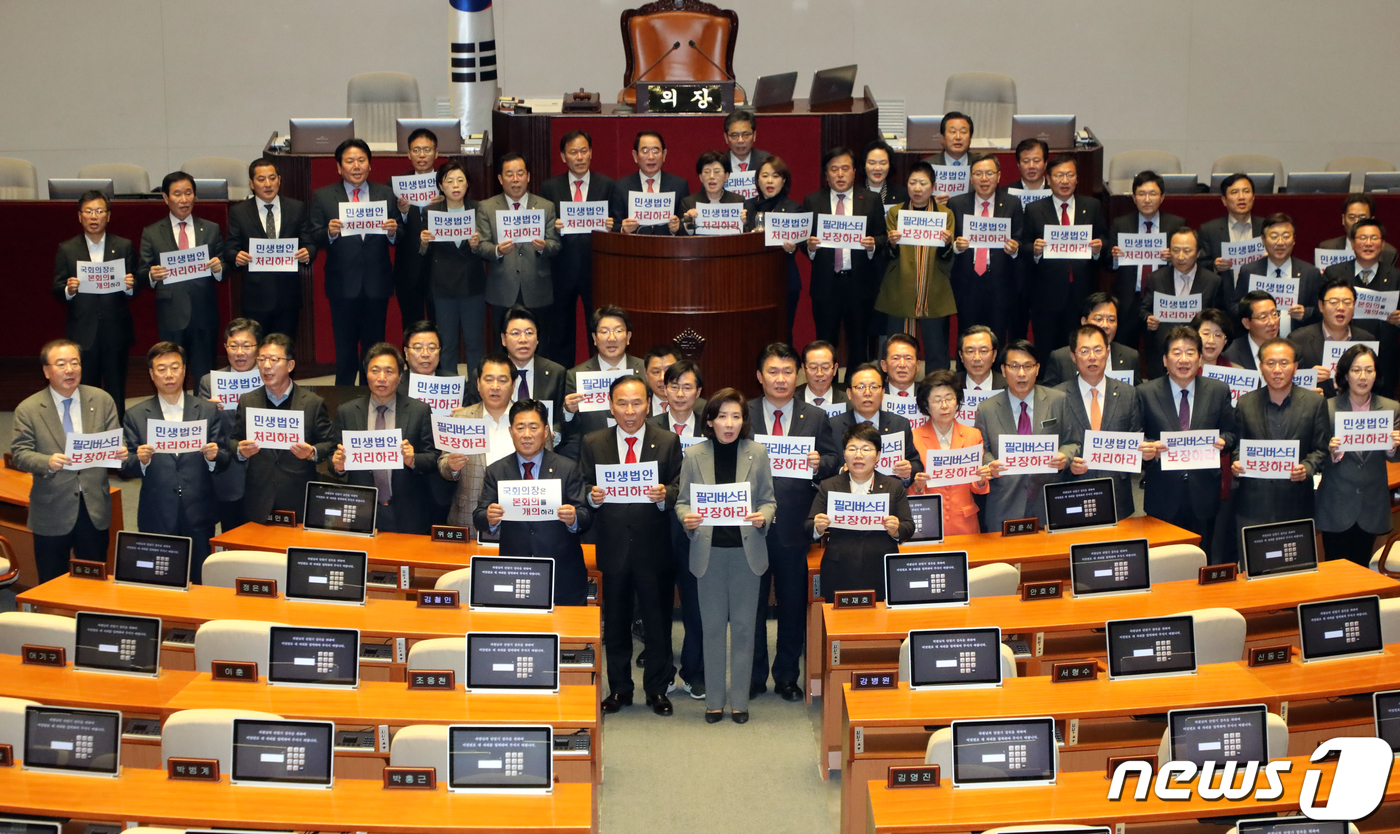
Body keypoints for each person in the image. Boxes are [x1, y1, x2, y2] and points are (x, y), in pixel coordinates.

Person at [580, 375, 684, 716]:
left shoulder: (667, 441)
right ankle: (620, 690)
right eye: (622, 403)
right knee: (617, 623)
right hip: (612, 547)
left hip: (654, 548)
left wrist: (664, 494)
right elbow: (581, 484)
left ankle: (657, 689)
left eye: (637, 403)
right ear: (611, 405)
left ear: (649, 404)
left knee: (657, 624)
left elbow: (680, 485)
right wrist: (591, 496)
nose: (629, 411)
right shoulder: (594, 442)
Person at [675, 389, 777, 724]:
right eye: (722, 416)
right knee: (713, 628)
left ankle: (740, 702)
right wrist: (686, 517)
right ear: (710, 421)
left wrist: (764, 516)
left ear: (743, 420)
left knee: (746, 629)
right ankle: (714, 701)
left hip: (747, 553)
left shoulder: (757, 453)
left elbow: (768, 500)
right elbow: (682, 501)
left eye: (736, 416)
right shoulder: (693, 455)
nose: (729, 423)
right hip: (709, 553)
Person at [748, 343, 836, 702]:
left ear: (797, 375)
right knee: (749, 609)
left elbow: (833, 460)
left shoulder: (815, 416)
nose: (781, 379)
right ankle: (752, 677)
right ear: (759, 377)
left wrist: (820, 463)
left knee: (792, 605)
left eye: (787, 372)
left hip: (795, 528)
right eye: (773, 372)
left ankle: (786, 676)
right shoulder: (743, 413)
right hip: (750, 526)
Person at [11, 339, 128, 583]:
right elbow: (20, 454)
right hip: (51, 507)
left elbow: (117, 439)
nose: (70, 370)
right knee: (52, 580)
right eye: (61, 364)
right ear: (46, 371)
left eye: (75, 363)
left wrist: (121, 451)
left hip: (93, 505)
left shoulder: (102, 400)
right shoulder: (29, 409)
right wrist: (47, 461)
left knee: (94, 579)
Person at [121, 342, 227, 583]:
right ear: (151, 374)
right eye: (161, 369)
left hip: (199, 509)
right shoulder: (135, 415)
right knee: (160, 579)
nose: (169, 375)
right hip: (157, 511)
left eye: (174, 367)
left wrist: (213, 457)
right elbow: (125, 464)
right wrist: (141, 461)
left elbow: (225, 457)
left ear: (184, 369)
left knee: (200, 578)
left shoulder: (207, 411)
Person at [475, 399, 593, 605]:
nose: (527, 434)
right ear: (511, 431)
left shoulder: (567, 468)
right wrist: (489, 517)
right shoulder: (496, 471)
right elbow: (479, 516)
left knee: (566, 634)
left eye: (533, 427)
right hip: (514, 569)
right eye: (520, 428)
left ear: (546, 431)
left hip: (562, 571)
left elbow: (586, 516)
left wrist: (574, 518)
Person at [1137, 326, 1236, 561]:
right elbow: (1137, 435)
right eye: (1177, 353)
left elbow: (1233, 433)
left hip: (1203, 494)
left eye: (1191, 353)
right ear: (1164, 359)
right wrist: (1149, 447)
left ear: (1200, 358)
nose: (1184, 359)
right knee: (1162, 562)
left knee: (1202, 560)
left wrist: (1224, 441)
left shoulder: (1218, 391)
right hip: (1162, 493)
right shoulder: (1145, 392)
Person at [309, 139, 402, 385]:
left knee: (374, 352)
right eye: (350, 161)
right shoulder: (324, 196)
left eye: (361, 160)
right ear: (339, 168)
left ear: (370, 166)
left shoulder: (385, 193)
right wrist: (329, 232)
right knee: (345, 351)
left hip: (376, 283)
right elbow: (313, 236)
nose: (356, 166)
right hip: (342, 285)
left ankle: (373, 395)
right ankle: (344, 402)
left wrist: (393, 231)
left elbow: (401, 233)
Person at [329, 343, 438, 535]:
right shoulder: (347, 412)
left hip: (408, 511)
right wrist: (338, 465)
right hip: (361, 510)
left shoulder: (419, 411)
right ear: (366, 375)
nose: (381, 378)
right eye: (375, 371)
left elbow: (433, 457)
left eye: (389, 371)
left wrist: (413, 460)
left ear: (400, 377)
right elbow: (333, 458)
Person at [647, 359, 707, 697]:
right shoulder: (649, 426)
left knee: (696, 606)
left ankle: (695, 670)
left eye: (688, 387)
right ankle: (663, 672)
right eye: (674, 386)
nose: (680, 393)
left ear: (699, 391)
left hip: (698, 530)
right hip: (656, 528)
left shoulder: (711, 427)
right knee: (658, 607)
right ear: (663, 390)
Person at [231, 333, 336, 524]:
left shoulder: (312, 403)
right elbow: (233, 439)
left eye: (274, 360)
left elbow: (330, 443)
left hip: (298, 496)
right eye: (261, 360)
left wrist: (312, 452)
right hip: (258, 498)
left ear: (290, 365)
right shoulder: (248, 401)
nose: (266, 366)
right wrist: (240, 450)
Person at [1231, 338, 1329, 533]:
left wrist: (1307, 467)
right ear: (1261, 367)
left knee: (1294, 562)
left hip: (1296, 501)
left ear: (1295, 366)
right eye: (1270, 363)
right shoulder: (1245, 403)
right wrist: (1236, 462)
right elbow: (1237, 446)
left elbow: (1321, 448)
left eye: (1284, 363)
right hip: (1253, 504)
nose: (1277, 370)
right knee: (1254, 561)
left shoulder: (1314, 403)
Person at [53, 190, 136, 419]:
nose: (94, 216)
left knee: (116, 388)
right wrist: (68, 289)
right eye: (88, 211)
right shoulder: (67, 249)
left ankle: (117, 436)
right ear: (80, 216)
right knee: (85, 388)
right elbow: (56, 288)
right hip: (83, 331)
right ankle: (88, 435)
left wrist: (130, 284)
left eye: (99, 211)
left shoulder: (123, 246)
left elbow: (135, 287)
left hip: (115, 330)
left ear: (108, 215)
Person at [973, 340, 1074, 528]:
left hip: (1047, 501)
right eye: (1014, 366)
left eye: (1028, 366)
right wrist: (989, 465)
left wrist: (1064, 457)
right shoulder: (986, 409)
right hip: (1004, 502)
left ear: (1037, 369)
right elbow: (980, 450)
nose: (1021, 374)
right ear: (1003, 370)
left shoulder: (1057, 401)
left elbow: (1073, 442)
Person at [808, 423, 915, 601]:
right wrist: (817, 527)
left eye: (866, 449)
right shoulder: (829, 485)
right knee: (840, 626)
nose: (858, 455)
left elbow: (908, 527)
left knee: (879, 625)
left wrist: (896, 530)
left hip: (880, 568)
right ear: (844, 454)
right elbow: (808, 526)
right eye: (852, 449)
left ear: (878, 455)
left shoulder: (893, 486)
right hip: (839, 570)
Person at [137, 171, 224, 389]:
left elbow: (225, 266)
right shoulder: (152, 232)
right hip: (171, 314)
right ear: (166, 198)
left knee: (206, 377)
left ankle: (205, 419)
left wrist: (219, 268)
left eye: (188, 193)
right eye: (177, 194)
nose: (184, 200)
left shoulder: (211, 229)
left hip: (204, 312)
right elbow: (141, 272)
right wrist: (151, 275)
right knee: (173, 375)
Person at [803, 146, 887, 369]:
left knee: (858, 345)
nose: (840, 174)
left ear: (854, 171)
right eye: (834, 169)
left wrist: (872, 245)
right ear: (826, 174)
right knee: (824, 344)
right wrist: (809, 247)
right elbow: (804, 239)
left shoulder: (869, 199)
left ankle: (856, 391)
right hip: (826, 285)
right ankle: (824, 392)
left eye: (845, 169)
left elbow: (883, 237)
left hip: (859, 285)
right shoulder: (813, 200)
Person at [1317, 345, 1400, 565]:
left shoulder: (1391, 408)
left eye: (1369, 370)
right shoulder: (1327, 408)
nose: (1363, 377)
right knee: (1334, 572)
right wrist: (1331, 453)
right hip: (1336, 504)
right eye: (1356, 370)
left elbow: (1395, 457)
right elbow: (1314, 453)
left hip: (1371, 504)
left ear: (1376, 375)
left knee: (1362, 569)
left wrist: (1392, 447)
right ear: (1345, 374)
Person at [540, 130, 616, 366]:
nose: (580, 157)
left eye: (584, 151)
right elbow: (542, 229)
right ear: (564, 156)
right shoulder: (550, 188)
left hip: (597, 269)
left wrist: (610, 225)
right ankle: (563, 383)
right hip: (562, 270)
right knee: (561, 331)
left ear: (591, 153)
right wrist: (554, 227)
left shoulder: (608, 185)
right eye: (573, 152)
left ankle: (601, 377)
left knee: (599, 329)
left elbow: (619, 221)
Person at [1056, 325, 1142, 521]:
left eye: (1097, 350)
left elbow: (1135, 436)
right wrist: (1068, 463)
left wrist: (1143, 448)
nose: (1092, 357)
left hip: (1117, 495)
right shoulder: (1057, 396)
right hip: (1073, 492)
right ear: (1073, 356)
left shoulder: (1128, 393)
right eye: (1084, 351)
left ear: (1108, 353)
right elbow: (1054, 445)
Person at [878, 162, 956, 369]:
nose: (917, 188)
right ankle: (896, 390)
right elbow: (887, 254)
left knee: (937, 350)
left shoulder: (945, 214)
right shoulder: (895, 213)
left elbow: (947, 257)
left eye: (923, 183)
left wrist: (947, 244)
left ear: (933, 186)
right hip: (900, 288)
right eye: (913, 182)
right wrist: (891, 243)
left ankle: (937, 393)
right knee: (897, 349)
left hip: (934, 289)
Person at [225, 158, 314, 340]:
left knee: (283, 351)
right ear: (251, 183)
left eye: (272, 178)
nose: (268, 184)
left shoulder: (296, 208)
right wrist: (236, 257)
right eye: (261, 179)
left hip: (288, 295)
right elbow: (230, 247)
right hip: (256, 297)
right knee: (255, 351)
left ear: (279, 180)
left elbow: (309, 242)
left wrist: (307, 253)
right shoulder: (239, 212)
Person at [1024, 155, 1107, 351]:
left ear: (1077, 179)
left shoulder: (1091, 206)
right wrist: (1034, 250)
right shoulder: (1034, 209)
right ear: (1049, 179)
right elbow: (1023, 246)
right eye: (1059, 175)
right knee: (1046, 348)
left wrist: (1098, 248)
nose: (1065, 181)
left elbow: (1105, 238)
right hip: (1046, 294)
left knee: (1079, 347)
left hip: (1081, 292)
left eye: (1070, 175)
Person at [473, 153, 562, 333]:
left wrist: (544, 247)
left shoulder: (546, 206)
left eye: (520, 173)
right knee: (502, 345)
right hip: (502, 288)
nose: (515, 179)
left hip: (537, 287)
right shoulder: (486, 207)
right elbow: (481, 245)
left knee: (538, 344)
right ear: (500, 178)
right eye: (509, 174)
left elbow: (556, 243)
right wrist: (497, 250)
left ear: (528, 176)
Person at [441, 353, 524, 534]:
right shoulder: (460, 418)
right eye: (488, 380)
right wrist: (452, 466)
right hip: (467, 516)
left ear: (513, 385)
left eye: (502, 380)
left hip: (518, 517)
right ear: (478, 384)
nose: (495, 387)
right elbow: (443, 464)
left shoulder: (528, 420)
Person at [416, 161, 485, 375]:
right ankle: (450, 390)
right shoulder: (430, 211)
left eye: (460, 180)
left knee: (474, 342)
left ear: (467, 184)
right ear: (440, 186)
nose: (455, 185)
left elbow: (486, 247)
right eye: (449, 181)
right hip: (443, 286)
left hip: (472, 285)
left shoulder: (478, 209)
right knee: (447, 344)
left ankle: (475, 390)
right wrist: (424, 243)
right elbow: (422, 253)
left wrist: (477, 246)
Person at [196, 318, 262, 533]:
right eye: (233, 346)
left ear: (258, 348)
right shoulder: (210, 382)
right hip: (228, 472)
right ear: (225, 347)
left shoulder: (270, 377)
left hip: (265, 470)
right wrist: (206, 411)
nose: (239, 353)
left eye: (246, 346)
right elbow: (201, 432)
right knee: (233, 536)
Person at [948, 154, 1023, 342]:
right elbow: (946, 244)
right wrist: (956, 246)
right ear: (971, 177)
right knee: (966, 335)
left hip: (999, 281)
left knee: (996, 335)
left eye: (989, 173)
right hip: (967, 280)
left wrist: (1014, 249)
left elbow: (1020, 237)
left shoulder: (1012, 204)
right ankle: (963, 370)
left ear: (998, 176)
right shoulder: (956, 204)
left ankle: (996, 371)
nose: (984, 179)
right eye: (978, 173)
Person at [1322, 218, 1400, 393]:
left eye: (1374, 238)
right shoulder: (1333, 273)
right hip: (1343, 356)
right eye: (1362, 238)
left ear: (1383, 244)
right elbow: (1322, 310)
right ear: (1352, 242)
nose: (1368, 243)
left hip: (1384, 359)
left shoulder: (1396, 277)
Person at [1108, 171, 1183, 351]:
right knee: (1124, 351)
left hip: (1162, 298)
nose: (1147, 199)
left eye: (1152, 194)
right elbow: (1106, 263)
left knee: (1161, 349)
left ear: (1162, 197)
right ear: (1134, 198)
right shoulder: (1121, 224)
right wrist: (1115, 258)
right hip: (1129, 298)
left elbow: (1187, 261)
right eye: (1141, 194)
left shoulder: (1176, 224)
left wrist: (1174, 259)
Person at [908, 369, 989, 534]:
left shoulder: (973, 435)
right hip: (928, 521)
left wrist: (981, 480)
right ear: (926, 405)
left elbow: (977, 489)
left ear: (957, 401)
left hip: (965, 522)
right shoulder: (913, 437)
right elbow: (907, 488)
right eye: (937, 400)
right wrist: (917, 486)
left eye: (949, 398)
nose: (944, 406)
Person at [559, 306, 645, 460]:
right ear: (594, 338)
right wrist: (568, 411)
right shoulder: (575, 375)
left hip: (639, 452)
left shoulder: (645, 371)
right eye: (604, 332)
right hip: (594, 456)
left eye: (618, 331)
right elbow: (569, 431)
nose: (611, 338)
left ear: (628, 336)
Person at [1140, 227, 1224, 377]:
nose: (1180, 256)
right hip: (1162, 354)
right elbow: (1144, 309)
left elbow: (1219, 317)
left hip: (1199, 354)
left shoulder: (1213, 281)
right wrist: (1148, 318)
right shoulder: (1156, 278)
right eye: (1175, 250)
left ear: (1198, 253)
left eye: (1187, 251)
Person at [825, 364, 923, 483]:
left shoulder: (899, 424)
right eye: (860, 387)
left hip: (888, 495)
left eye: (873, 387)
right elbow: (826, 464)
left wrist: (908, 471)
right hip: (848, 495)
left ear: (882, 393)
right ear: (849, 393)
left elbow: (916, 462)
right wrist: (841, 472)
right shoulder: (833, 425)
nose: (867, 393)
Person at [1236, 212, 1322, 336]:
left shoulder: (1310, 273)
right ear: (1263, 240)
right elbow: (1235, 307)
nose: (1280, 242)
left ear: (1293, 240)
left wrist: (1306, 313)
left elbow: (1321, 309)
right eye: (1274, 236)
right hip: (1258, 342)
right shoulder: (1249, 271)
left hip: (1297, 342)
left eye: (1286, 236)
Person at [1290, 278, 1377, 397]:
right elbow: (1285, 380)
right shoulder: (1298, 339)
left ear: (1354, 306)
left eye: (1347, 302)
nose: (1341, 307)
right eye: (1333, 302)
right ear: (1321, 306)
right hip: (1315, 410)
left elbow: (1377, 384)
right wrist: (1308, 378)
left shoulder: (1367, 340)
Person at [753, 156, 804, 343]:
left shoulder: (795, 209)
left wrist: (792, 248)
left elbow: (802, 244)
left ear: (784, 180)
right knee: (755, 332)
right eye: (764, 176)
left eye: (775, 176)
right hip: (753, 281)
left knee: (782, 331)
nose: (769, 181)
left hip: (784, 279)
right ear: (757, 180)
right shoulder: (747, 208)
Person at [394, 128, 441, 328]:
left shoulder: (448, 183)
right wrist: (402, 213)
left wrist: (446, 204)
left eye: (427, 150)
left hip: (441, 266)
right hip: (408, 266)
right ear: (408, 154)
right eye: (416, 150)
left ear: (436, 153)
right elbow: (392, 231)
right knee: (411, 324)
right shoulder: (396, 185)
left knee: (439, 323)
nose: (422, 155)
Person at [1042, 293, 1142, 386]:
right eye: (1098, 319)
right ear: (1084, 322)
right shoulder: (1061, 359)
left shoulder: (1130, 357)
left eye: (1111, 320)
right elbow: (1049, 399)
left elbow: (1137, 398)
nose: (1105, 325)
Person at [611, 131, 690, 236]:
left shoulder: (679, 185)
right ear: (635, 156)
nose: (651, 157)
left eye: (655, 151)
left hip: (669, 249)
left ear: (664, 155)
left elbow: (687, 227)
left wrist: (677, 226)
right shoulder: (621, 187)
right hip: (633, 249)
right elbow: (613, 225)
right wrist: (623, 229)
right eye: (645, 151)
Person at [1197, 173, 1263, 299]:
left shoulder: (1267, 228)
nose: (1241, 197)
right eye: (1234, 192)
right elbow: (1199, 266)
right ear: (1224, 200)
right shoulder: (1210, 230)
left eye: (1246, 191)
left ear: (1253, 197)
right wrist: (1215, 266)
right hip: (1224, 300)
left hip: (1259, 299)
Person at [500, 306, 566, 425]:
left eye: (529, 333)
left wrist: (554, 435)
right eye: (515, 333)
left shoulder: (556, 373)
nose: (523, 339)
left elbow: (560, 419)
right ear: (504, 339)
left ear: (537, 339)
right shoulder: (488, 374)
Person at [671, 150, 753, 234]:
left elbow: (748, 237)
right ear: (701, 177)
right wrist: (689, 224)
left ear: (726, 176)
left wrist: (744, 223)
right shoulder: (689, 203)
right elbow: (683, 238)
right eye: (706, 172)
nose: (712, 176)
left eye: (717, 172)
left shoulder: (738, 201)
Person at [1318, 194, 1398, 267]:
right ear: (1343, 219)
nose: (1356, 223)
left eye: (1362, 218)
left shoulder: (1388, 253)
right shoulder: (1327, 248)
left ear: (1372, 221)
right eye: (1352, 217)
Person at [1222, 290, 1280, 371]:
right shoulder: (1231, 355)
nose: (1272, 322)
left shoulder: (1288, 350)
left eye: (1274, 314)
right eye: (1263, 317)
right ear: (1246, 323)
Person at [921, 111, 973, 181]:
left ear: (970, 138)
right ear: (942, 138)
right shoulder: (927, 166)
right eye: (953, 132)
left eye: (963, 132)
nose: (958, 137)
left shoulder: (981, 164)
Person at [797, 340, 847, 411]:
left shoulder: (849, 403)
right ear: (803, 369)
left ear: (835, 369)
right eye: (813, 367)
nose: (819, 374)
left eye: (825, 367)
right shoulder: (791, 401)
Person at [957, 326, 1006, 392]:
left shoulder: (1009, 386)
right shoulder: (950, 385)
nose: (977, 358)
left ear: (994, 355)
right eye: (970, 351)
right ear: (961, 356)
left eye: (983, 351)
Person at [723, 110, 770, 177]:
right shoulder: (718, 163)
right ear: (726, 138)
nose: (740, 140)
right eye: (734, 135)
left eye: (746, 134)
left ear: (754, 135)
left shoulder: (765, 161)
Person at [861, 139, 907, 208]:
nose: (877, 168)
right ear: (864, 165)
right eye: (872, 163)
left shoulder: (902, 194)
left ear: (890, 165)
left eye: (883, 163)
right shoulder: (853, 193)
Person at [643, 345, 679, 416]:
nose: (662, 378)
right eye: (656, 372)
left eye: (668, 371)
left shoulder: (698, 408)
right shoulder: (637, 407)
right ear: (646, 375)